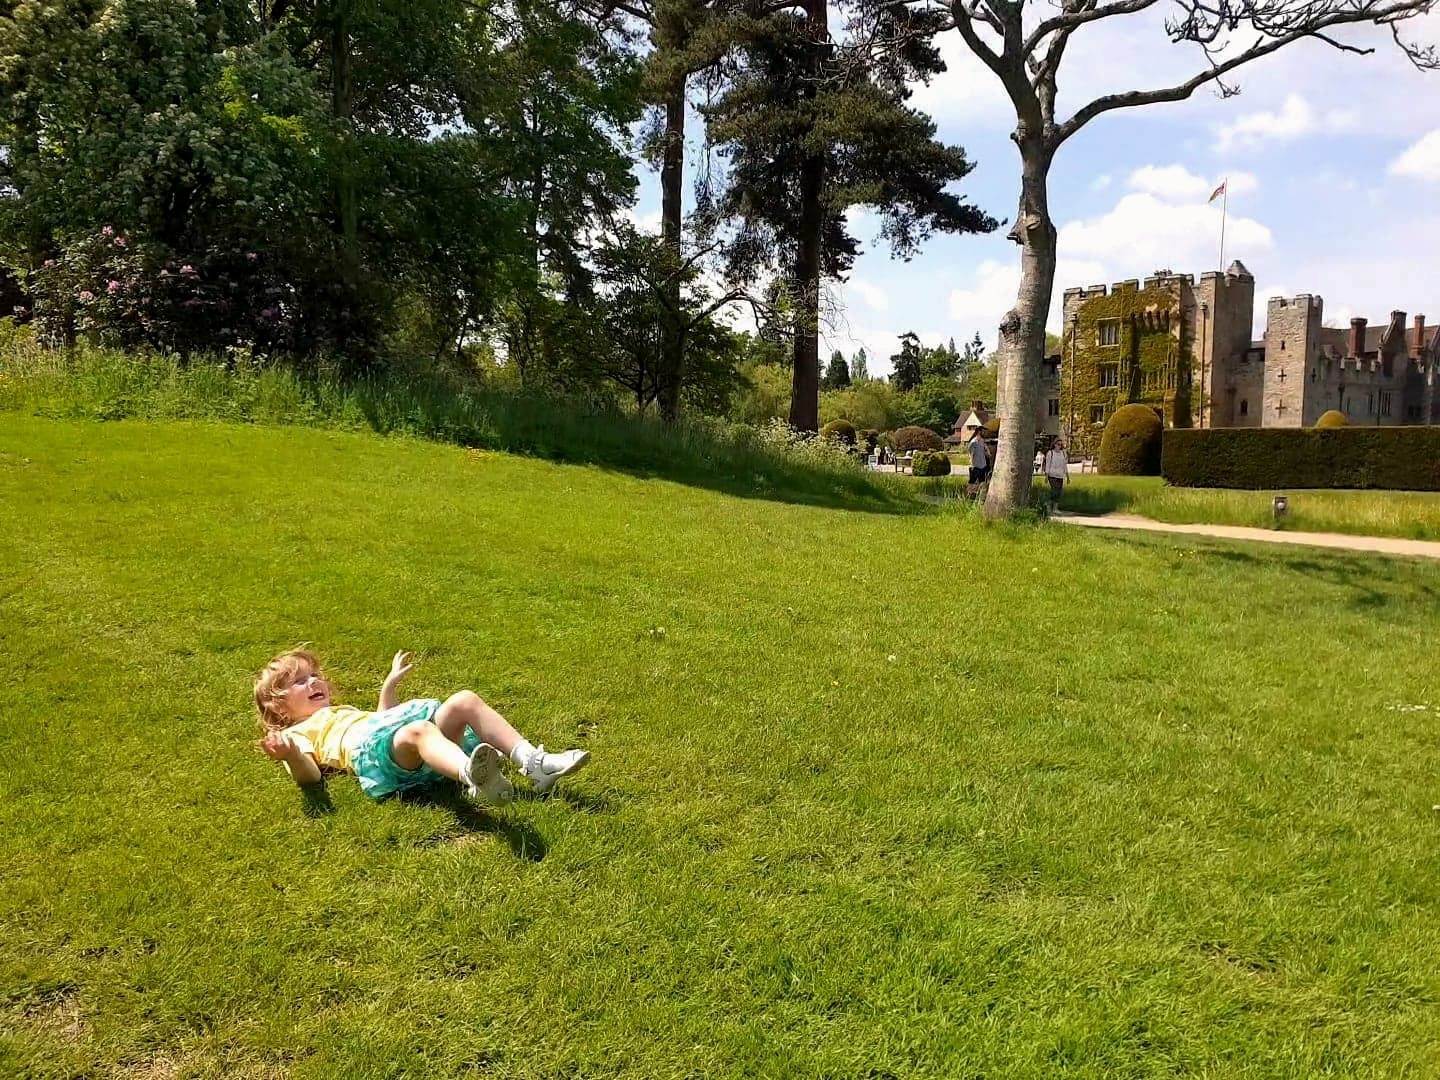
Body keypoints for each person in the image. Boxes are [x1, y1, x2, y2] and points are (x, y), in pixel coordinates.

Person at [254, 648, 589, 803]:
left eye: (315, 676)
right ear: (278, 706)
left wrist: (388, 687)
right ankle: (472, 776)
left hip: (409, 747)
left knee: (464, 700)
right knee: (419, 731)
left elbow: (384, 720)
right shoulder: (295, 735)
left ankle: (534, 764)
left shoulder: (342, 711)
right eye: (300, 681)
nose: (314, 682)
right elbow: (310, 778)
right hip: (379, 761)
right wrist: (290, 756)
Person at [1043, 438, 1069, 511]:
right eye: (1058, 444)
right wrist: (1046, 476)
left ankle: (1055, 508)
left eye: (1061, 445)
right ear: (1054, 445)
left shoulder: (1063, 453)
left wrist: (1067, 476)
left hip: (1060, 475)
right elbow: (1048, 465)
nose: (1059, 446)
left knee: (1059, 492)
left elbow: (1064, 465)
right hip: (1052, 475)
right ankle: (1048, 504)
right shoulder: (1050, 453)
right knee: (1055, 491)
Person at [966, 429, 989, 498]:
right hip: (975, 465)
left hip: (983, 465)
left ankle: (981, 496)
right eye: (983, 431)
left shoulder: (982, 441)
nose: (985, 433)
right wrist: (972, 464)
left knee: (982, 482)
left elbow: (984, 451)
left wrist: (987, 453)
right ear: (979, 432)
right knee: (972, 483)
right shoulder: (973, 442)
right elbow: (971, 454)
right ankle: (968, 496)